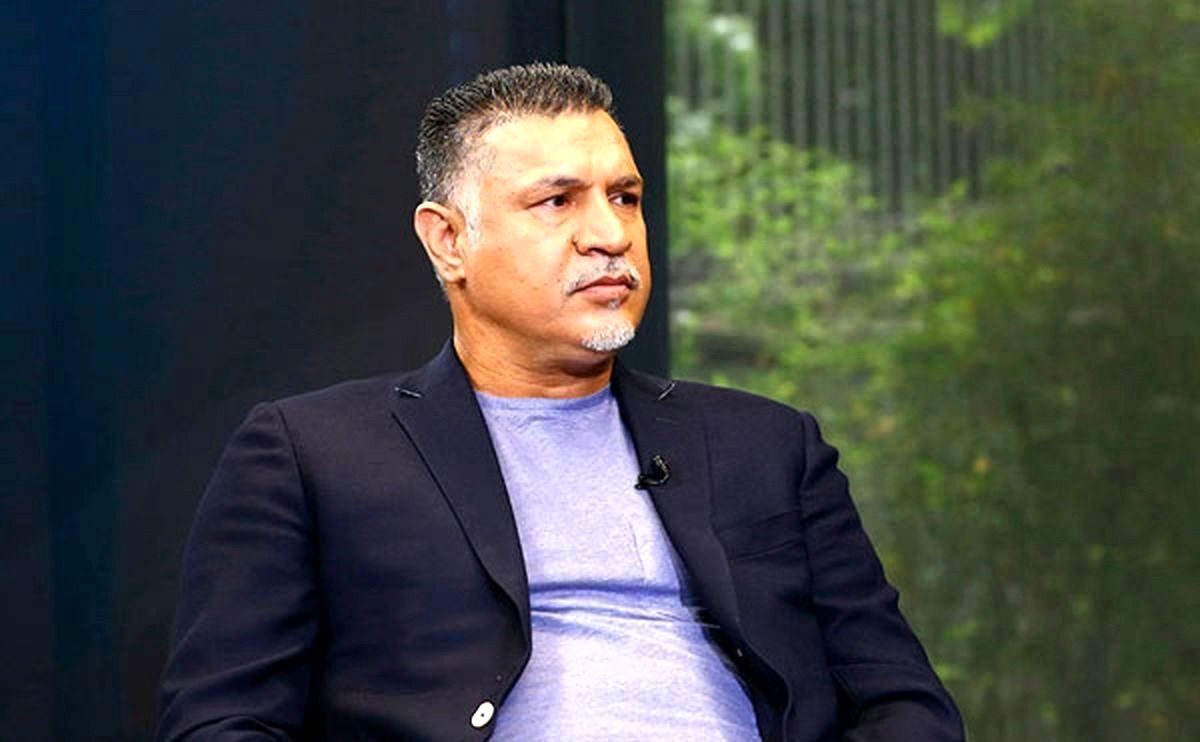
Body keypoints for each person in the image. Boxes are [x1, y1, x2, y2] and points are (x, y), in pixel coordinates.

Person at [157, 63, 964, 741]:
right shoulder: (313, 453)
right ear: (449, 240)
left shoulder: (769, 444)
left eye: (626, 197)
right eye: (558, 201)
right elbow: (221, 721)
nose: (610, 235)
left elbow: (902, 703)